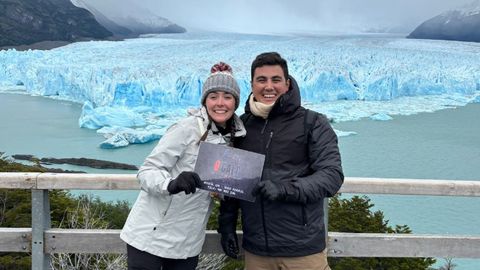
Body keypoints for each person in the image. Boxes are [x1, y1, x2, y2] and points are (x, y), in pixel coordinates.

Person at [218, 52, 344, 270]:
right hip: (256, 251)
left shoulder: (312, 123)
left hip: (302, 251)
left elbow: (331, 176)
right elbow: (233, 181)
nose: (269, 86)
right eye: (262, 80)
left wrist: (285, 189)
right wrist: (227, 225)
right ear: (252, 84)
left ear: (287, 84)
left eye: (276, 80)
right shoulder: (241, 126)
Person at [120, 62, 246, 270]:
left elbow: (227, 188)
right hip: (150, 236)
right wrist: (171, 184)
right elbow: (147, 171)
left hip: (188, 243)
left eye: (227, 97)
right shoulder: (186, 128)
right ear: (205, 101)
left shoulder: (235, 138)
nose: (220, 103)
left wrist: (224, 191)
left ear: (236, 102)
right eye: (213, 97)